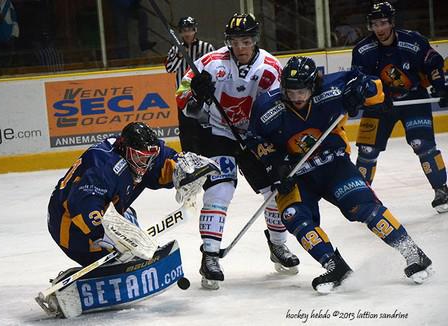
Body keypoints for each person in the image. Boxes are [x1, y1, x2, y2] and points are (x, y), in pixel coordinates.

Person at [249, 56, 433, 293]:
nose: (296, 97)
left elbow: (372, 85)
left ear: (313, 85)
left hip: (334, 165)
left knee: (364, 207)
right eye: (290, 91)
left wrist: (362, 92)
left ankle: (413, 253)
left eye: (302, 91)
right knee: (294, 216)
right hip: (297, 175)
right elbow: (254, 139)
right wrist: (275, 165)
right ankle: (335, 266)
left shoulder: (332, 88)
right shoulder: (266, 106)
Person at [176, 13, 300, 290]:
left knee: (275, 191)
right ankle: (209, 255)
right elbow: (184, 99)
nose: (241, 47)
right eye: (235, 41)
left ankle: (278, 245)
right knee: (220, 190)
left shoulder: (270, 68)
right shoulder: (209, 63)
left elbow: (280, 109)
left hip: (256, 136)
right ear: (227, 42)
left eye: (246, 41)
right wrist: (197, 94)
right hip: (219, 134)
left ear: (255, 40)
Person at [47, 122, 218, 267]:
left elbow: (162, 159)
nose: (146, 164)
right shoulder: (103, 167)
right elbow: (83, 205)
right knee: (119, 235)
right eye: (142, 159)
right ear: (124, 148)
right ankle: (111, 259)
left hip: (96, 210)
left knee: (127, 216)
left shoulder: (137, 153)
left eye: (149, 158)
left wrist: (181, 169)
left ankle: (122, 250)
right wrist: (110, 237)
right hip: (69, 229)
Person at [351, 1, 448, 213]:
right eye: (375, 24)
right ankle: (359, 197)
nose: (379, 29)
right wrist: (373, 95)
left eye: (383, 23)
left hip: (412, 99)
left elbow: (433, 63)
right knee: (367, 151)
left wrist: (441, 86)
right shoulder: (362, 50)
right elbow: (358, 80)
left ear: (392, 22)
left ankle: (441, 189)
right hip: (378, 105)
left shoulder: (413, 41)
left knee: (421, 143)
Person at [165, 16, 215, 153]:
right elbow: (169, 68)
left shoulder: (207, 47)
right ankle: (189, 157)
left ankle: (207, 154)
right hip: (183, 95)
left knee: (204, 128)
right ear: (180, 32)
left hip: (203, 96)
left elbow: (214, 66)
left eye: (190, 30)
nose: (187, 33)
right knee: (187, 131)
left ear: (195, 30)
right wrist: (180, 56)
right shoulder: (176, 49)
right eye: (184, 30)